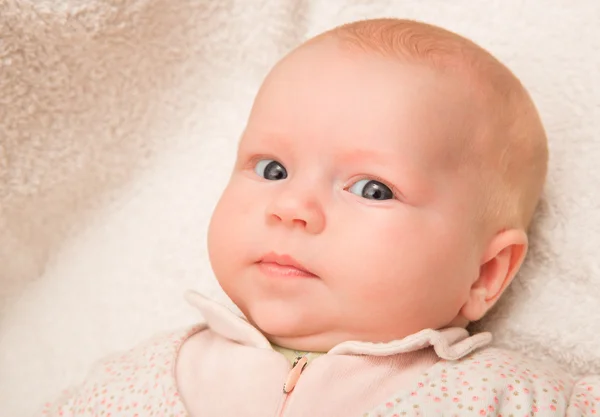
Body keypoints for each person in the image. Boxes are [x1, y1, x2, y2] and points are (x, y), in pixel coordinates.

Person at [41, 18, 599, 417]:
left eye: (373, 188)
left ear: (485, 274)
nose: (291, 208)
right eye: (273, 170)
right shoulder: (134, 377)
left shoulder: (509, 398)